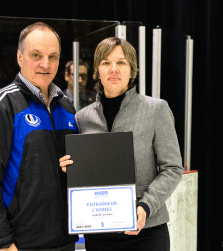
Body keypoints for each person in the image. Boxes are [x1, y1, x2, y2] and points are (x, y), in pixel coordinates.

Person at [59, 37, 184, 251]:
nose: (114, 69)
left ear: (132, 70)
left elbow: (172, 168)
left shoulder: (156, 110)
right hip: (99, 233)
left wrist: (146, 206)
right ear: (98, 71)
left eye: (121, 62)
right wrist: (69, 167)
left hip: (147, 231)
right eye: (106, 62)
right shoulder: (82, 117)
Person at [0, 22, 78, 251]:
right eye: (36, 55)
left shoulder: (67, 108)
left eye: (53, 56)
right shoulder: (2, 105)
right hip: (18, 246)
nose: (45, 64)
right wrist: (2, 241)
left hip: (64, 243)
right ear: (20, 58)